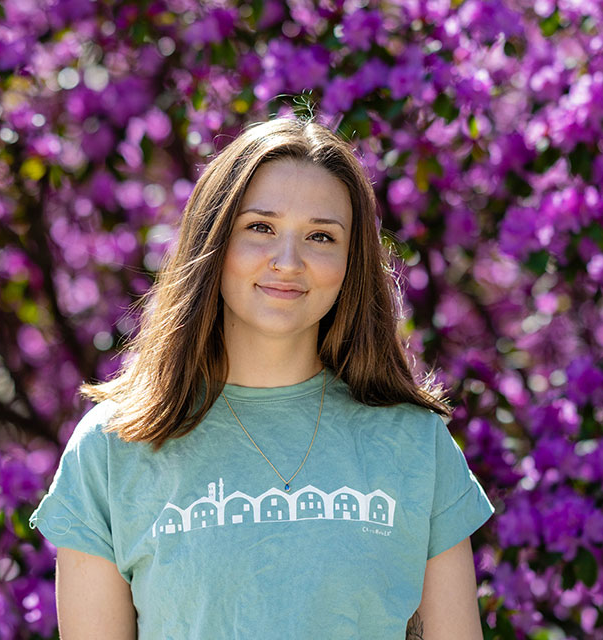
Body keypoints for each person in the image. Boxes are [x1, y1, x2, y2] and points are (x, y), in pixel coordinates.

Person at [30, 116, 494, 639]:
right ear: (214, 241)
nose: (288, 261)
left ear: (350, 262)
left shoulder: (416, 443)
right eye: (260, 228)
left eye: (321, 236)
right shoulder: (112, 449)